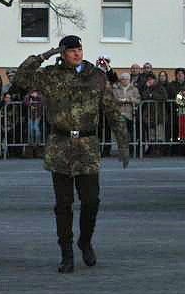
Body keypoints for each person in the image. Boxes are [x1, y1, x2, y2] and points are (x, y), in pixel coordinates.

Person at [14, 35, 129, 273]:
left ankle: (85, 241)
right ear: (62, 53)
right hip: (60, 145)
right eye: (71, 50)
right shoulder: (50, 76)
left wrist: (123, 142)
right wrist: (44, 55)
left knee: (91, 201)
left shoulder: (96, 76)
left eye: (80, 49)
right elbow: (21, 77)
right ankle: (66, 253)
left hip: (87, 145)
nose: (77, 54)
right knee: (63, 204)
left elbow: (110, 107)